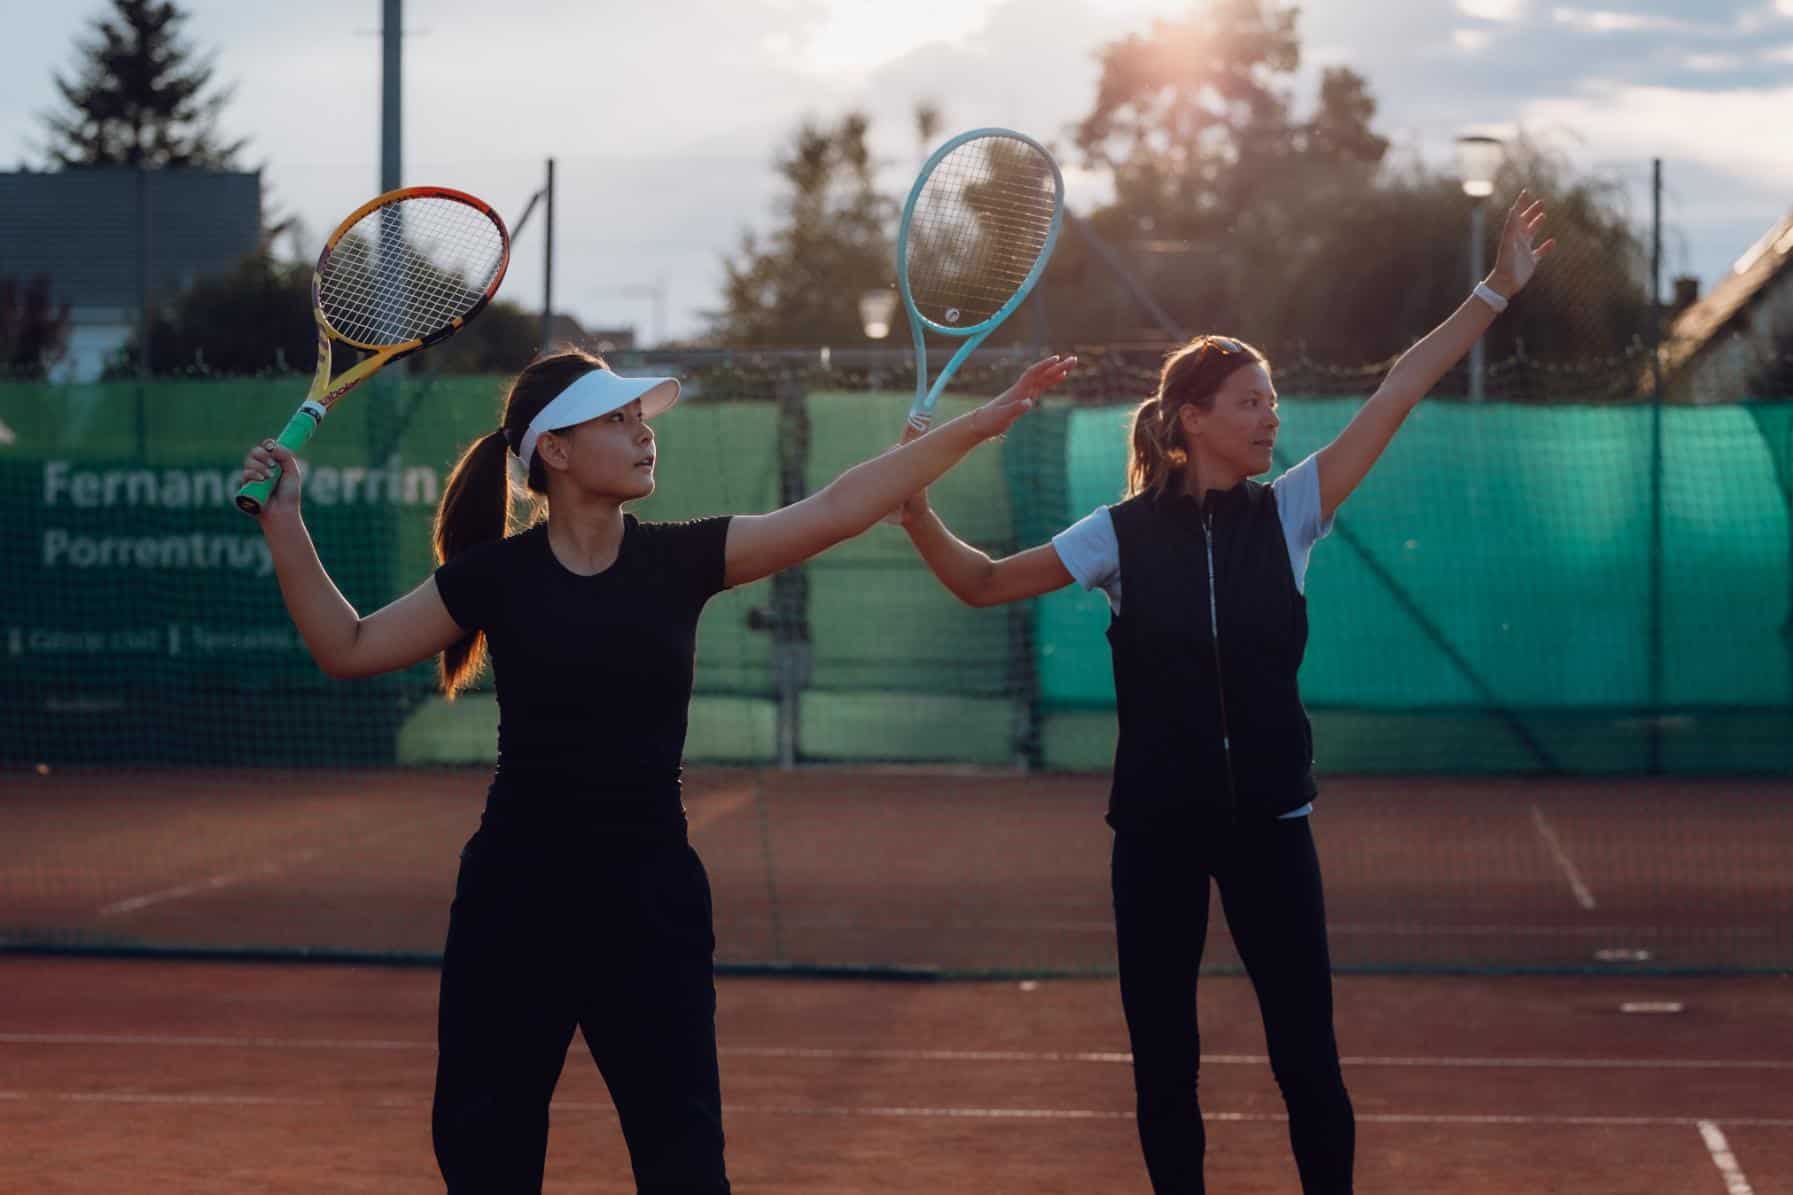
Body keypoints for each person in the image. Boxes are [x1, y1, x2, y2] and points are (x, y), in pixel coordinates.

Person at [239, 347, 1076, 1194]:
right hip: (514, 900)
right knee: (485, 1155)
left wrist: (982, 420)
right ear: (554, 452)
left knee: (683, 1162)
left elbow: (840, 506)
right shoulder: (494, 578)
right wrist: (286, 522)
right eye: (616, 418)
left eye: (640, 418)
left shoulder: (680, 560)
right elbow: (346, 646)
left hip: (648, 901)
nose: (643, 433)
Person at [897, 193, 1554, 1193]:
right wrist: (913, 507)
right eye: (1250, 402)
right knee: (1165, 1069)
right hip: (1155, 831)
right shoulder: (1116, 533)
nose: (1270, 416)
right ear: (1193, 418)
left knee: (1306, 1061)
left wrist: (1495, 287)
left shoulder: (1290, 512)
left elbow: (1395, 390)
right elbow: (978, 582)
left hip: (1269, 827)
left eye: (1271, 402)